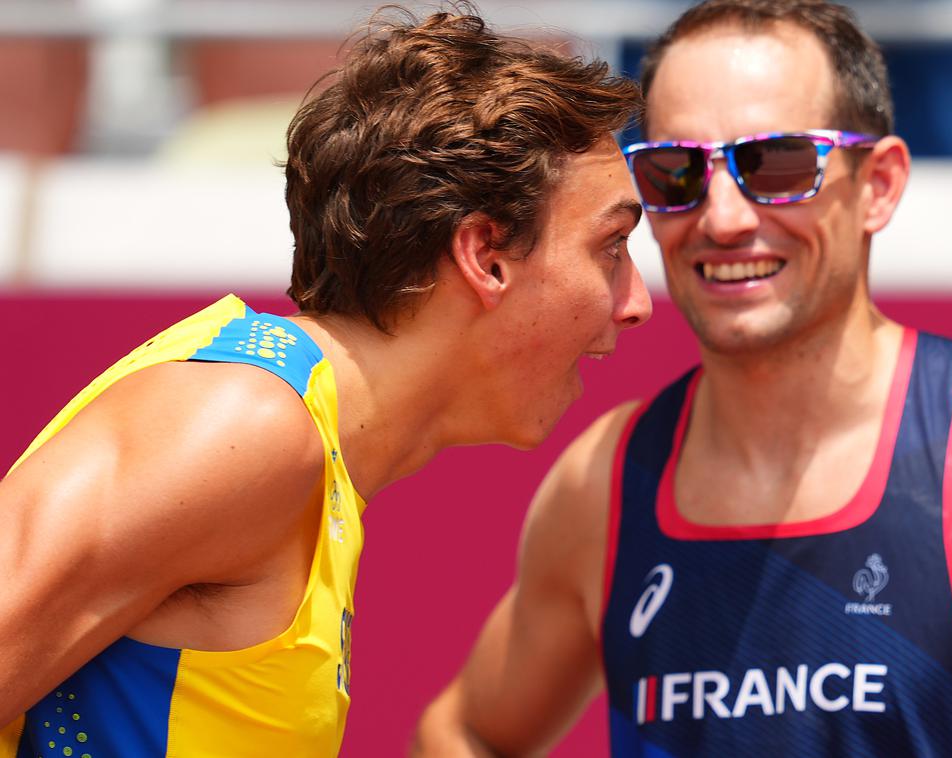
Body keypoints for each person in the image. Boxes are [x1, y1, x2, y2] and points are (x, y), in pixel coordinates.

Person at [413, 1, 952, 756]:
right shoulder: (607, 486)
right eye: (675, 172)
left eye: (776, 163)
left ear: (880, 185)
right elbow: (468, 733)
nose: (722, 216)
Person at [0, 6, 650, 756]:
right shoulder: (243, 424)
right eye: (611, 246)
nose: (634, 303)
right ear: (485, 255)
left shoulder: (296, 442)